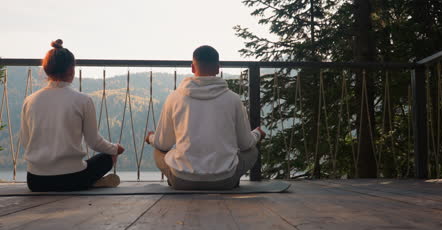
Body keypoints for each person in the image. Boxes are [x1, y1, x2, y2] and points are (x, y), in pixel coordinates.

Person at [145, 45, 265, 190]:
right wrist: (257, 133)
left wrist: (151, 137)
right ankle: (232, 180)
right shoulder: (233, 99)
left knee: (158, 150)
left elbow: (163, 144)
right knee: (252, 151)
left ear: (192, 67)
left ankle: (174, 177)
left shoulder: (174, 98)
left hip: (182, 180)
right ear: (218, 68)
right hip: (224, 181)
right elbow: (245, 144)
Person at [20, 39, 125, 192]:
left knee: (101, 159)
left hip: (36, 181)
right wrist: (115, 149)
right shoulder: (83, 100)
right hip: (72, 178)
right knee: (107, 158)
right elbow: (94, 142)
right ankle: (91, 182)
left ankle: (91, 182)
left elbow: (25, 141)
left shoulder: (29, 101)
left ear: (46, 69)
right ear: (71, 70)